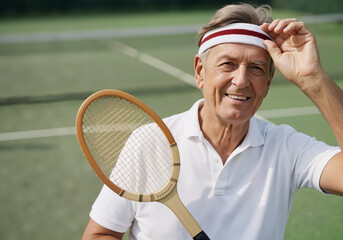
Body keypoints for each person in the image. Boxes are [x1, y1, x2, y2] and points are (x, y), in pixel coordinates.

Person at [82, 3, 343, 240]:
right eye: (228, 64)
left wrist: (314, 79)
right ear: (200, 72)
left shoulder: (287, 148)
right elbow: (100, 234)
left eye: (256, 68)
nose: (241, 80)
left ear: (267, 84)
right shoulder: (149, 141)